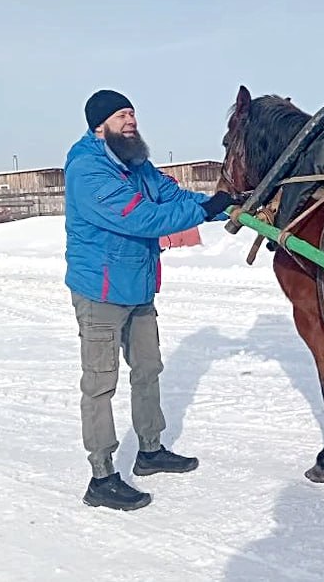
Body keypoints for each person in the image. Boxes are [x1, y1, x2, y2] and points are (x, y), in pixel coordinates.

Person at [64, 89, 243, 511]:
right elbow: (142, 218)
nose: (131, 120)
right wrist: (205, 211)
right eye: (121, 115)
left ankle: (149, 450)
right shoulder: (88, 169)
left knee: (147, 369)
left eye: (133, 113)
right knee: (100, 382)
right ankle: (102, 475)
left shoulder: (136, 163)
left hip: (139, 286)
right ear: (99, 125)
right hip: (101, 290)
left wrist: (229, 206)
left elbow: (175, 199)